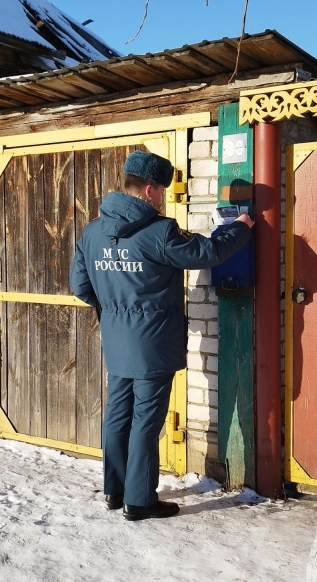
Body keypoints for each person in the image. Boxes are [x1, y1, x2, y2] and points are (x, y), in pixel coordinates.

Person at [69, 150, 254, 521]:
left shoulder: (91, 232)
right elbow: (207, 251)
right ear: (151, 190)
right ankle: (139, 500)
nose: (164, 198)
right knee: (147, 419)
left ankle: (114, 489)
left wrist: (114, 312)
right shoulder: (159, 231)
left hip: (117, 338)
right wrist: (241, 226)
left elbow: (80, 285)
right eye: (163, 191)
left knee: (118, 413)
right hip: (153, 341)